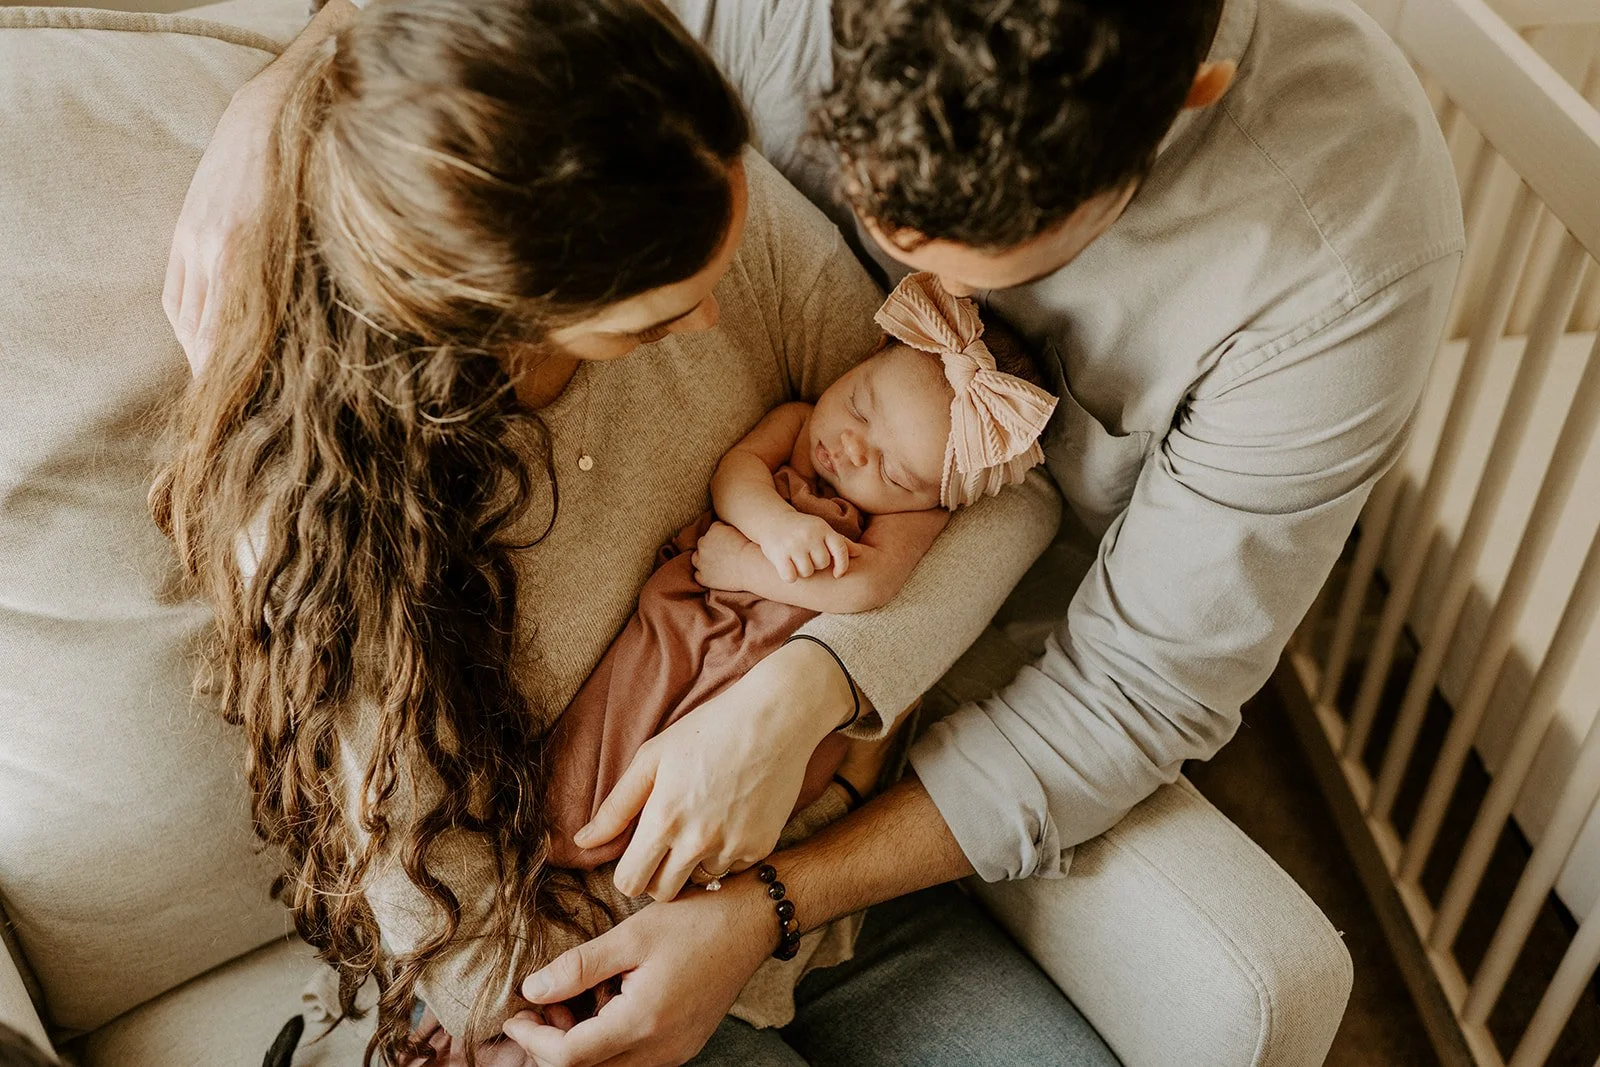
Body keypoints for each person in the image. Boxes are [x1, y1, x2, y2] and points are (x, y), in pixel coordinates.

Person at [163, 0, 1463, 1063]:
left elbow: (1086, 622)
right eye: (869, 196)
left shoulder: (1338, 259)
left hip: (887, 777)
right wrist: (289, 86)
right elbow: (418, 865)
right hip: (561, 922)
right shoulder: (340, 521)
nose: (911, 305)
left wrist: (810, 698)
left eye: (968, 256)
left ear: (1188, 99)